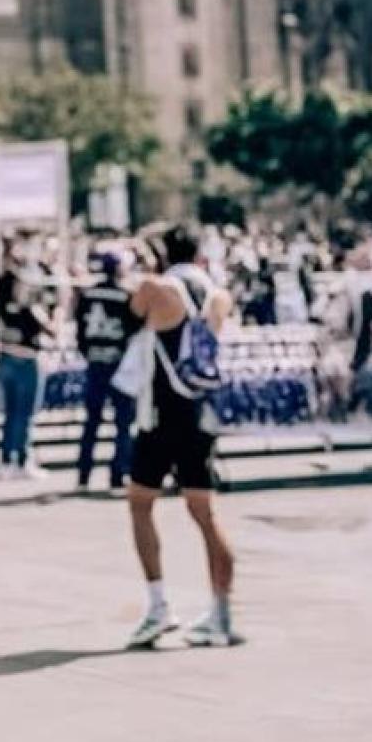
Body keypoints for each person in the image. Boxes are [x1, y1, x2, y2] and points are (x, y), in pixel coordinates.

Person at [123, 225, 240, 650]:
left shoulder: (158, 288)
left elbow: (131, 314)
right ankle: (221, 613)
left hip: (161, 414)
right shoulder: (216, 294)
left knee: (139, 503)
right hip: (200, 414)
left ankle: (158, 606)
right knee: (205, 514)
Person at [73, 252, 136, 493]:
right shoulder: (125, 296)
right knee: (122, 422)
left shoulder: (88, 294)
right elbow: (133, 331)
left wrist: (89, 352)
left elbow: (80, 329)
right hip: (118, 364)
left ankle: (83, 473)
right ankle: (118, 475)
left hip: (95, 362)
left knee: (92, 421)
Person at [0, 264, 54, 480]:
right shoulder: (30, 309)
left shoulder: (1, 309)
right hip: (27, 360)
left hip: (6, 358)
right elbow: (51, 329)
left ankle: (6, 459)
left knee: (10, 414)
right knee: (25, 415)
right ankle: (22, 459)